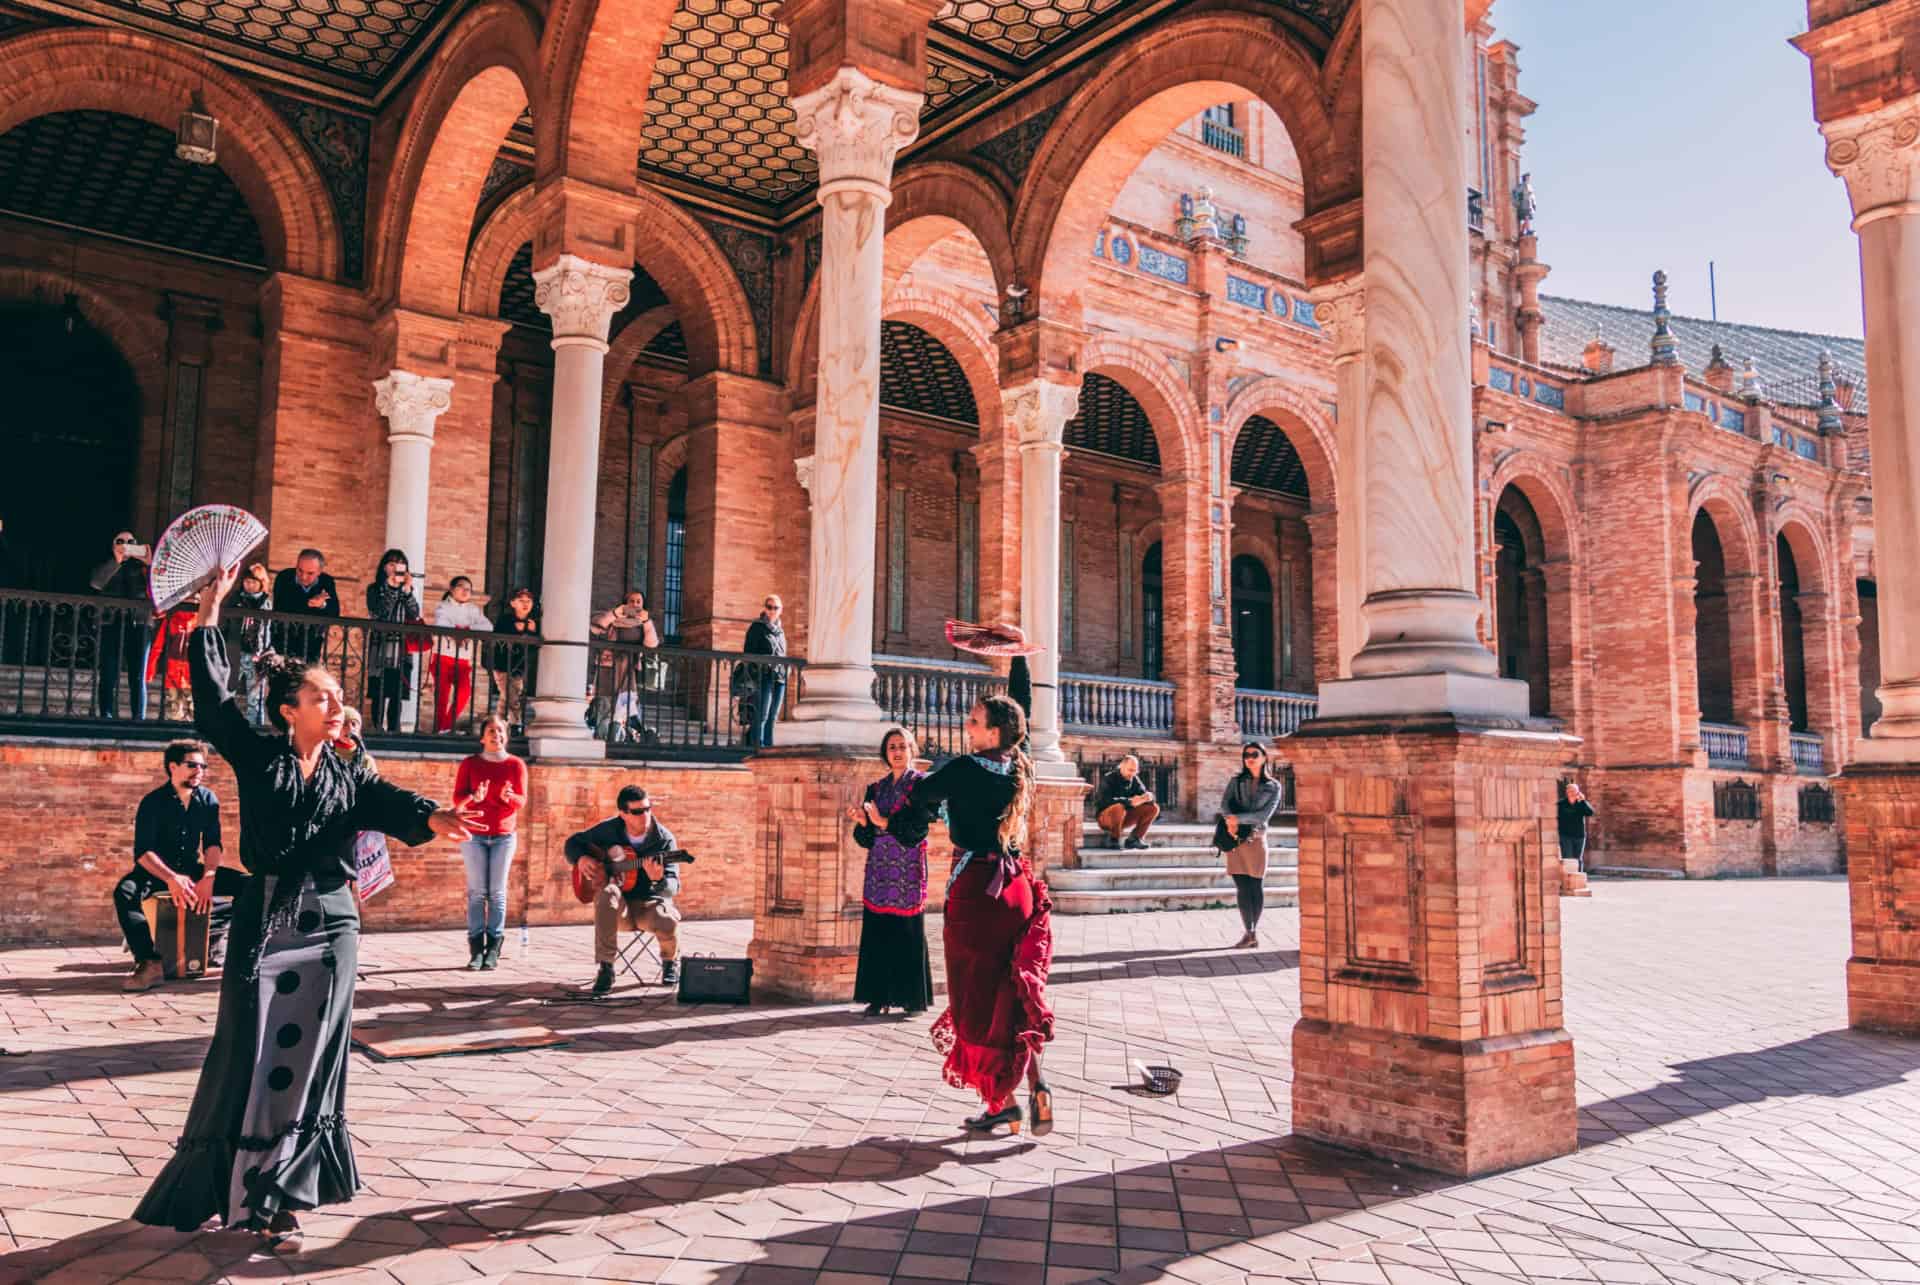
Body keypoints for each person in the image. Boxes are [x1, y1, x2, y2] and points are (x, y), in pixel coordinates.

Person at [132, 562, 468, 1250]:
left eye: (339, 697)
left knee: (314, 1058)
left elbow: (390, 801)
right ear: (290, 708)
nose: (336, 705)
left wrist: (435, 818)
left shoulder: (350, 770)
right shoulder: (259, 756)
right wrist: (210, 612)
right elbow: (214, 701)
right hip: (267, 916)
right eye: (323, 697)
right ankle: (237, 1184)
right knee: (253, 1053)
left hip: (334, 922)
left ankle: (280, 1197)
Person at [876, 695, 1054, 1137]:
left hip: (978, 891)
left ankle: (1003, 1103)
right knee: (1012, 992)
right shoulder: (1021, 766)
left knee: (976, 1001)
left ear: (993, 732)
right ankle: (1035, 1081)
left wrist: (891, 821)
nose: (967, 726)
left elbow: (916, 799)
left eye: (974, 721)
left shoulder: (964, 768)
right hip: (1017, 887)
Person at [116, 739, 231, 992]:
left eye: (203, 766)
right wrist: (171, 878)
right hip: (156, 872)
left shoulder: (208, 799)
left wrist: (209, 877)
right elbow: (143, 853)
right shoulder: (153, 802)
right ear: (173, 767)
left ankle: (226, 947)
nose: (199, 771)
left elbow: (213, 844)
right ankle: (149, 963)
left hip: (192, 869)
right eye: (192, 765)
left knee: (251, 886)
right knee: (125, 892)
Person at [846, 727, 934, 1018]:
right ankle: (877, 996)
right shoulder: (876, 789)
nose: (897, 752)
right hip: (880, 870)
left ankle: (910, 999)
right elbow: (867, 839)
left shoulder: (922, 786)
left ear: (912, 750)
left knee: (907, 932)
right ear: (885, 753)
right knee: (878, 930)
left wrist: (883, 822)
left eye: (902, 746)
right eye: (892, 747)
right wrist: (862, 822)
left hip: (907, 869)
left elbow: (919, 829)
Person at [566, 785, 683, 995]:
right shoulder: (609, 830)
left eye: (648, 808)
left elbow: (673, 886)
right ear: (623, 813)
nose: (645, 815)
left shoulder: (664, 839)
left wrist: (658, 881)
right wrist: (581, 858)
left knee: (668, 919)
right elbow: (573, 842)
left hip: (649, 905)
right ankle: (606, 967)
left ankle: (669, 962)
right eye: (638, 812)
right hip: (619, 909)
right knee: (606, 892)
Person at [453, 717, 527, 970]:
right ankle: (475, 950)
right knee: (476, 893)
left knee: (496, 892)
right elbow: (457, 801)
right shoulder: (470, 764)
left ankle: (493, 948)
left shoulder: (515, 765)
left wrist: (509, 797)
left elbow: (521, 801)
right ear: (482, 737)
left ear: (506, 736)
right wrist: (475, 797)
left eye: (500, 731)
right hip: (473, 834)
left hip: (503, 836)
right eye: (491, 731)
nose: (496, 735)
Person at [1220, 741, 1282, 950]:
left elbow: (1263, 815)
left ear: (1264, 757)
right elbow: (1224, 803)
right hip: (1234, 838)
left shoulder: (1273, 786)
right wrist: (1230, 819)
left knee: (1255, 885)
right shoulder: (1236, 781)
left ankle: (1252, 930)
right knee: (1241, 886)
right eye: (1246, 755)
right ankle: (1249, 931)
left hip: (1255, 839)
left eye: (1254, 754)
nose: (1250, 758)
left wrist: (1237, 818)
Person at [90, 531, 152, 720]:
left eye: (130, 541)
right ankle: (106, 716)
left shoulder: (143, 567)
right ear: (113, 545)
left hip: (139, 623)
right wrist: (116, 560)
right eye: (120, 541)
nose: (125, 544)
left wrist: (149, 564)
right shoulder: (107, 563)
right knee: (108, 674)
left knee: (138, 676)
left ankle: (138, 719)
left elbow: (158, 586)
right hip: (111, 622)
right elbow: (96, 583)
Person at [591, 589, 660, 743]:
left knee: (627, 705)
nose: (634, 604)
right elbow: (595, 627)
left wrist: (647, 621)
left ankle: (622, 738)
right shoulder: (614, 617)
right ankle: (602, 739)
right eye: (631, 601)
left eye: (638, 602)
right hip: (608, 668)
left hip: (629, 671)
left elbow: (652, 644)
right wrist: (615, 613)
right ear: (624, 602)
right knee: (605, 705)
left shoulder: (643, 622)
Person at [363, 549, 420, 734]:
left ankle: (394, 730)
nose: (395, 569)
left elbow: (414, 613)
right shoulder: (375, 588)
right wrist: (390, 588)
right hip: (380, 645)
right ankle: (377, 728)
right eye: (391, 564)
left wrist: (406, 591)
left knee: (397, 693)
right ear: (384, 567)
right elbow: (380, 612)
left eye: (399, 565)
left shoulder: (408, 590)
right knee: (379, 691)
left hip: (402, 647)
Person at [431, 575, 488, 734]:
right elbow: (442, 623)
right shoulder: (443, 606)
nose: (465, 591)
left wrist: (466, 632)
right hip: (443, 656)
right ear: (451, 589)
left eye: (468, 589)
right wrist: (458, 632)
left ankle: (446, 726)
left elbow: (487, 626)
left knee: (464, 692)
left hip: (463, 660)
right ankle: (440, 729)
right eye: (461, 587)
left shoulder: (473, 610)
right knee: (442, 696)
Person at [270, 549, 339, 664]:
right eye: (300, 570)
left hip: (312, 645)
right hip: (283, 641)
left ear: (320, 571)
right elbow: (281, 607)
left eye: (310, 573)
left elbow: (335, 612)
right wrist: (309, 604)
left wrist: (322, 604)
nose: (303, 576)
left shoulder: (327, 582)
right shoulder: (283, 577)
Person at [490, 587, 539, 733]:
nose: (525, 604)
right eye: (521, 600)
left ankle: (497, 726)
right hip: (502, 665)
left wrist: (531, 632)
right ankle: (516, 724)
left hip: (519, 667)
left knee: (508, 697)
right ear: (512, 603)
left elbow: (534, 647)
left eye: (529, 601)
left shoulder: (533, 623)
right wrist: (515, 630)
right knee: (511, 697)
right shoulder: (505, 619)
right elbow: (498, 639)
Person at [231, 563, 273, 726]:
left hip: (255, 653)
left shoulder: (264, 603)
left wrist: (264, 651)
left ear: (261, 583)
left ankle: (255, 727)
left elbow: (267, 629)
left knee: (255, 695)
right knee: (229, 690)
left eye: (253, 582)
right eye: (246, 582)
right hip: (236, 651)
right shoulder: (237, 599)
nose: (249, 585)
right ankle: (228, 723)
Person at [743, 593, 787, 748]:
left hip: (779, 678)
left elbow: (782, 654)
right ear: (765, 608)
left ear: (781, 610)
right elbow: (748, 652)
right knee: (762, 714)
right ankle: (758, 747)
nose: (772, 610)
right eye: (769, 607)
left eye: (776, 608)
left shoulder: (780, 632)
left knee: (773, 716)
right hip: (764, 676)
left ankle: (768, 747)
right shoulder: (757, 627)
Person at [147, 597, 199, 723]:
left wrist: (150, 669)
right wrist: (150, 669)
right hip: (178, 667)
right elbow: (158, 646)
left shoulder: (198, 620)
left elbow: (158, 646)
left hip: (186, 668)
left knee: (184, 703)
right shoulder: (196, 619)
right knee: (181, 703)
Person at [1094, 755, 1159, 849]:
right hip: (1105, 818)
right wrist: (1129, 802)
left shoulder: (1134, 779)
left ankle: (1134, 839)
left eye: (1135, 770)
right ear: (1122, 767)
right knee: (1119, 807)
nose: (1133, 773)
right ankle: (1113, 839)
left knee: (1153, 808)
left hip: (1124, 818)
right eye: (1130, 770)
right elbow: (1103, 801)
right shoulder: (1108, 778)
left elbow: (1144, 794)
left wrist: (1149, 797)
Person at [1558, 779, 1595, 873]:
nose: (1572, 793)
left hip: (1579, 836)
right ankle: (1568, 879)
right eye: (1570, 791)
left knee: (1578, 858)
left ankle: (1578, 880)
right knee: (1568, 858)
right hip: (1565, 835)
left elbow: (1590, 813)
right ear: (1566, 792)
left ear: (1578, 792)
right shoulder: (1561, 804)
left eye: (1574, 791)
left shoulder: (1581, 803)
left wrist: (1583, 801)